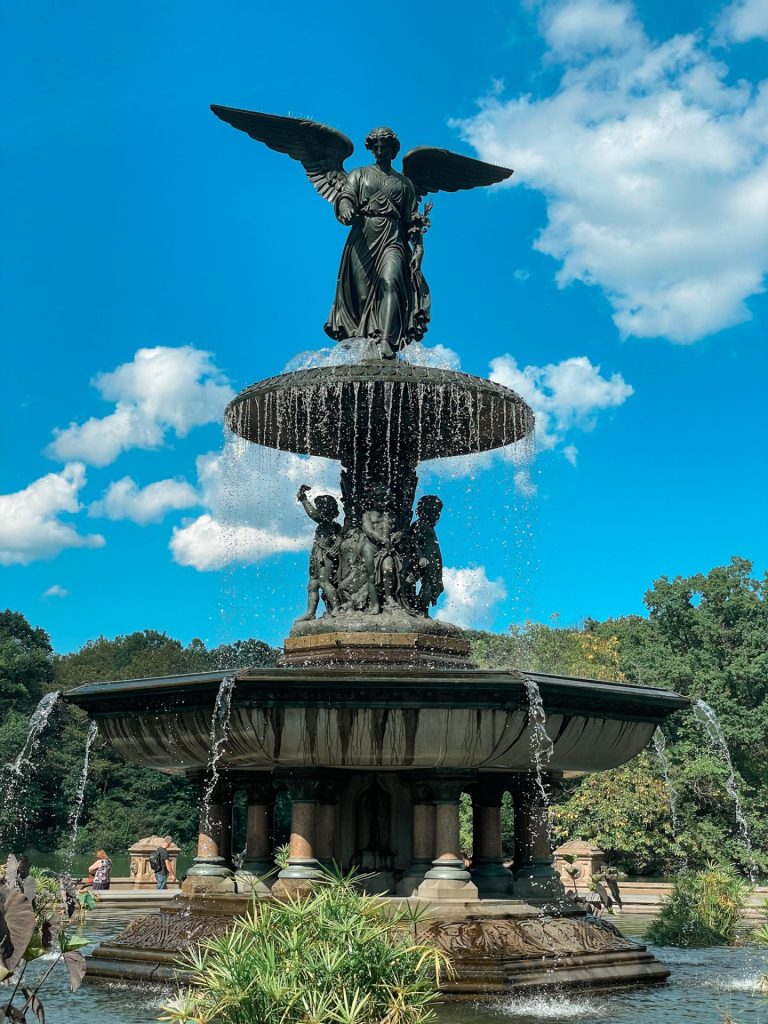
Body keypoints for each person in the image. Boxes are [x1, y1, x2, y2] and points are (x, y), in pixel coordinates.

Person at [325, 127, 431, 358]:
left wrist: (419, 246)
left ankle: (386, 340)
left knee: (391, 281)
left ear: (393, 150)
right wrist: (345, 208)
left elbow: (411, 219)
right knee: (363, 297)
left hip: (393, 238)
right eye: (376, 147)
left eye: (385, 147)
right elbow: (346, 196)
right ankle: (365, 344)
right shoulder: (359, 174)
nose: (380, 151)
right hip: (363, 236)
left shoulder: (404, 184)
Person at [296, 486, 342, 620]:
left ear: (326, 510)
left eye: (320, 507)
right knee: (312, 584)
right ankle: (311, 613)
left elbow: (313, 514)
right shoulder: (326, 524)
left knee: (324, 581)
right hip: (317, 556)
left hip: (325, 556)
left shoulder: (328, 523)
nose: (318, 510)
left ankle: (336, 608)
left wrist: (304, 499)